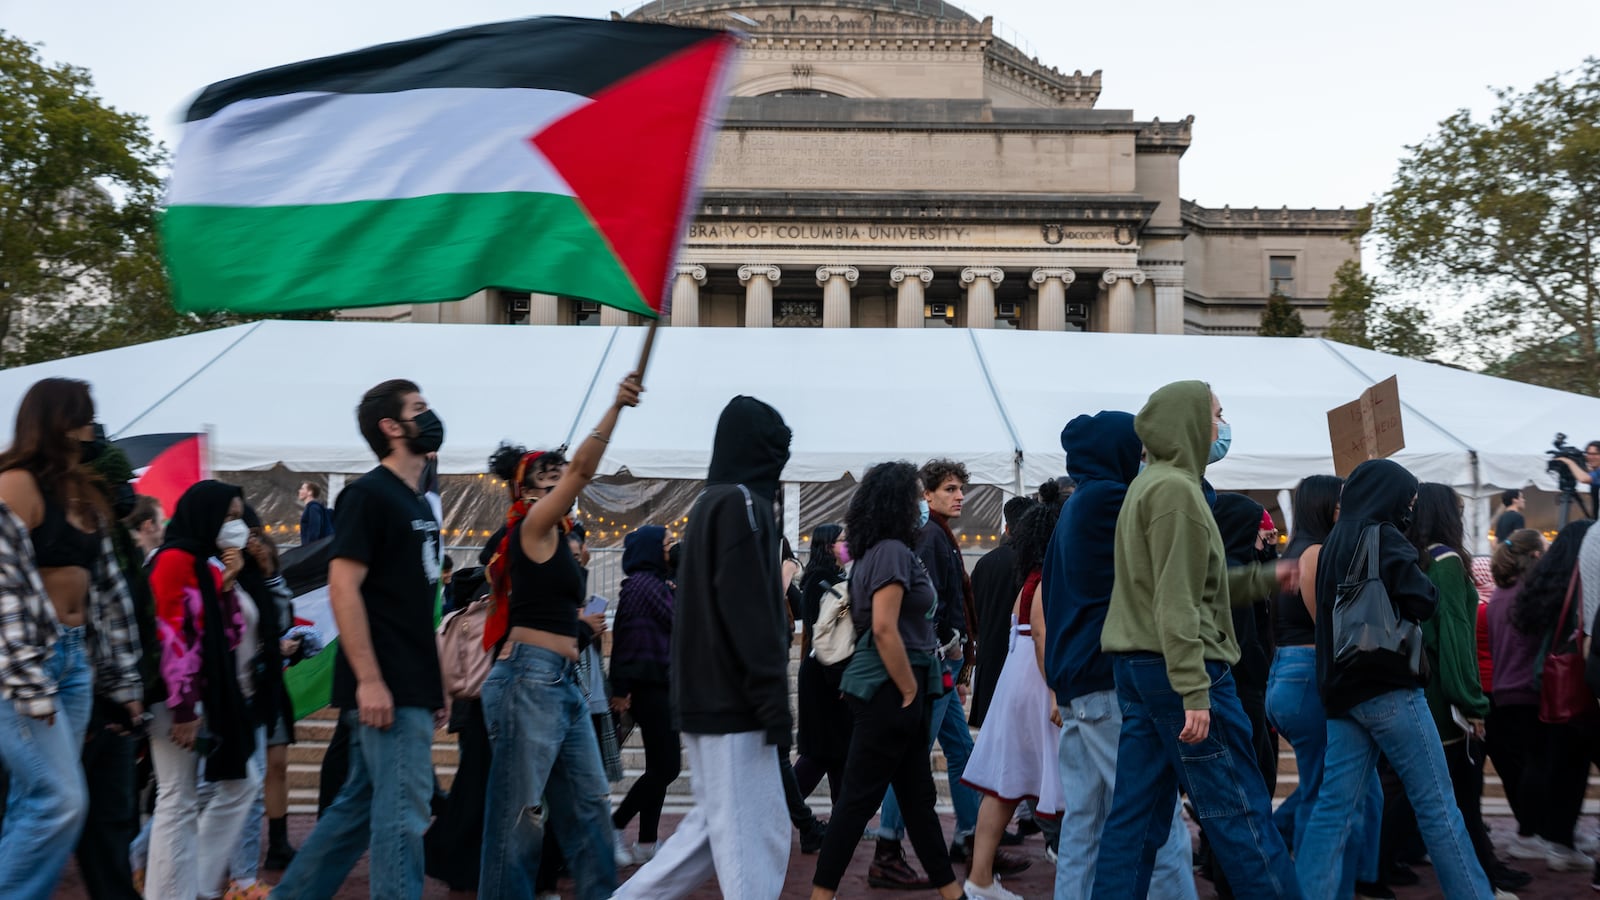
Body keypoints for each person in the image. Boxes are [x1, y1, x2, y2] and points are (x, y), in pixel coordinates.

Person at [1093, 382, 1298, 898]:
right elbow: (1176, 600)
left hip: (1143, 669)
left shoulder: (1152, 485)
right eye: (1217, 414)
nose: (1221, 425)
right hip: (1182, 669)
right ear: (1189, 421)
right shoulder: (1177, 491)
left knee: (1135, 819)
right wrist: (1193, 688)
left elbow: (1193, 585)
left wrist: (1267, 577)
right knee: (1240, 811)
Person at [272, 379, 446, 900]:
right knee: (403, 817)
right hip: (385, 686)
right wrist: (370, 680)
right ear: (391, 427)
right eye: (419, 409)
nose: (431, 415)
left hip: (410, 681)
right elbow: (343, 588)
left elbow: (416, 605)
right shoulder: (367, 496)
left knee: (354, 811)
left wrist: (434, 682)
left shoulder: (417, 502)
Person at [615, 396, 793, 900]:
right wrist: (770, 699)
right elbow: (750, 611)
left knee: (713, 835)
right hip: (732, 704)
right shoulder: (742, 505)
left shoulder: (717, 503)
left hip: (711, 700)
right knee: (753, 844)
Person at [1295, 458, 1493, 900]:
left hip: (1342, 692)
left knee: (1334, 811)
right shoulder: (1386, 538)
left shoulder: (1331, 544)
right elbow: (1424, 601)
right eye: (1409, 499)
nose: (1411, 508)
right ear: (1391, 497)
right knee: (1439, 808)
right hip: (1389, 688)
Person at [475, 375, 639, 900]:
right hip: (531, 681)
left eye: (559, 478)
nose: (563, 485)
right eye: (551, 480)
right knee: (520, 822)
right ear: (526, 492)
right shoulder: (530, 528)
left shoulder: (559, 539)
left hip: (560, 682)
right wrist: (614, 407)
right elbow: (585, 469)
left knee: (590, 810)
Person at [1042, 410, 1197, 900]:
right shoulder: (1111, 499)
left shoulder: (1078, 504)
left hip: (1078, 688)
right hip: (1108, 684)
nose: (1147, 458)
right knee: (1156, 818)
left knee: (1086, 825)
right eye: (1142, 448)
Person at [0, 378, 144, 900]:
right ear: (56, 421)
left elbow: (110, 594)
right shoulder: (14, 483)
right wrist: (26, 680)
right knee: (61, 800)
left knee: (35, 799)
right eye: (83, 417)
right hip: (24, 663)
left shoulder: (84, 492)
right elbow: (4, 589)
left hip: (74, 660)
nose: (92, 428)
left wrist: (124, 680)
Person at [809, 461, 964, 900]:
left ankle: (954, 893)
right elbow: (883, 627)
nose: (922, 503)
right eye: (917, 494)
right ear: (899, 501)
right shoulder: (893, 551)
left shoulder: (876, 551)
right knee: (859, 801)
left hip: (891, 685)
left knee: (915, 800)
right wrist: (910, 688)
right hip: (893, 686)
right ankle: (821, 894)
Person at [1264, 476, 1387, 897]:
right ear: (1324, 507)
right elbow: (1330, 629)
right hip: (1305, 676)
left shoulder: (1294, 551)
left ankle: (1341, 878)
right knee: (1327, 796)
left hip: (1287, 674)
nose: (1345, 512)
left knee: (1337, 789)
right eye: (1340, 505)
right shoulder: (1315, 553)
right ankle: (1315, 886)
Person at [1408, 483, 1530, 891]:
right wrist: (1473, 705)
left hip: (1418, 694)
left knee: (1443, 799)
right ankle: (1480, 880)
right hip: (1447, 703)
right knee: (1463, 799)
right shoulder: (1446, 562)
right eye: (1457, 510)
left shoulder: (1415, 560)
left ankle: (1482, 872)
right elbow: (1456, 644)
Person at [145, 480, 263, 900]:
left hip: (203, 698)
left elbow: (227, 636)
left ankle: (190, 885)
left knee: (235, 784)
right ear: (206, 514)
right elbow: (172, 638)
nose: (235, 525)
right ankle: (175, 891)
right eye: (230, 516)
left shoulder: (205, 564)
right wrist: (183, 708)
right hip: (176, 701)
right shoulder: (175, 560)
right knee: (177, 798)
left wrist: (229, 581)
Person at [959, 482, 1066, 900]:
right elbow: (1041, 633)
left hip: (1017, 679)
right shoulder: (1047, 578)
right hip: (1040, 682)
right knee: (1065, 781)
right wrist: (1056, 691)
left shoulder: (1028, 580)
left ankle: (980, 878)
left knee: (1005, 785)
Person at [1509, 519, 1599, 868]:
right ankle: (1561, 841)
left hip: (1547, 685)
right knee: (1572, 767)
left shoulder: (1549, 582)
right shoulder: (1583, 584)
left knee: (1553, 762)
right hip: (1579, 686)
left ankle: (1545, 835)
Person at [609, 524, 680, 866]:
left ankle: (647, 843)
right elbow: (625, 636)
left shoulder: (658, 584)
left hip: (660, 683)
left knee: (659, 765)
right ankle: (614, 825)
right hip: (646, 686)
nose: (671, 549)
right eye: (667, 544)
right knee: (667, 767)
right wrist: (620, 688)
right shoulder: (641, 586)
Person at [425, 571, 493, 898]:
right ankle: (448, 857)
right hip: (484, 707)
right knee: (474, 789)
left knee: (472, 786)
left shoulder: (458, 615)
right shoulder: (483, 611)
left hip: (472, 706)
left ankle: (455, 862)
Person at [1484, 529, 1550, 861]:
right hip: (1526, 691)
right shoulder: (1529, 595)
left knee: (1519, 769)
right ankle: (1532, 832)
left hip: (1502, 691)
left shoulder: (1500, 595)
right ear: (1536, 557)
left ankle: (1532, 831)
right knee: (1537, 766)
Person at [793, 523, 852, 805]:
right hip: (825, 675)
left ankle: (843, 822)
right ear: (829, 546)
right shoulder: (822, 580)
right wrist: (839, 679)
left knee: (838, 752)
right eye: (843, 540)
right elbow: (827, 637)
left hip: (828, 673)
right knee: (821, 753)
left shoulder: (831, 577)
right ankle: (787, 809)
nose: (848, 544)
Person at [969, 496, 1036, 729]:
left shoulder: (985, 563)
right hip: (1024, 666)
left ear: (1007, 528)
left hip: (989, 661)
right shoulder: (1036, 564)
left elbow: (972, 613)